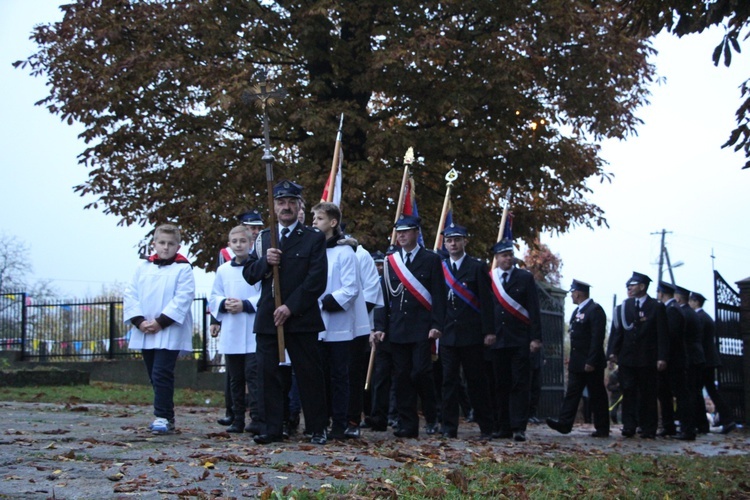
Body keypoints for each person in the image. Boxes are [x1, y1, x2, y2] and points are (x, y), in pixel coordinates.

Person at [243, 180, 329, 445]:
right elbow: (248, 274)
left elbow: (317, 280)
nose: (286, 207)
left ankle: (316, 427)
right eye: (281, 202)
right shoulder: (264, 238)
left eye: (292, 202)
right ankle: (271, 427)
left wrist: (290, 307)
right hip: (269, 317)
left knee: (309, 375)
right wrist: (264, 262)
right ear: (274, 206)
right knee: (267, 375)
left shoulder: (313, 237)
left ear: (299, 206)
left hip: (301, 317)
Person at [372, 215, 446, 438]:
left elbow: (439, 296)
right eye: (399, 232)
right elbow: (383, 297)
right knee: (402, 377)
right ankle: (408, 424)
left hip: (422, 328)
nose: (401, 235)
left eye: (406, 231)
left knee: (421, 373)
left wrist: (437, 324)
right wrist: (380, 326)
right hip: (397, 328)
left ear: (416, 233)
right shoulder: (390, 261)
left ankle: (432, 414)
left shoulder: (430, 260)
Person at [123, 224, 195, 434]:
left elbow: (183, 298)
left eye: (170, 244)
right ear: (154, 244)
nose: (165, 247)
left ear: (178, 246)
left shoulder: (183, 268)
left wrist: (161, 321)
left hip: (169, 330)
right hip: (145, 329)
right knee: (153, 374)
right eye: (161, 243)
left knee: (162, 372)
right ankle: (167, 415)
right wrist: (139, 321)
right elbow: (130, 293)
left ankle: (162, 416)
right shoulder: (142, 267)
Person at [310, 202, 363, 440]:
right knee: (317, 377)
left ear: (333, 223)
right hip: (314, 323)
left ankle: (340, 423)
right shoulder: (313, 249)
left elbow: (351, 287)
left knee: (339, 375)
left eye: (319, 218)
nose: (314, 222)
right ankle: (320, 421)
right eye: (313, 218)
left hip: (338, 324)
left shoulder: (345, 252)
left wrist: (324, 302)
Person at [438, 224, 495, 439]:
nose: (453, 244)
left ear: (465, 242)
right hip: (448, 335)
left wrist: (489, 330)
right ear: (445, 243)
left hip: (472, 335)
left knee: (477, 382)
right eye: (449, 241)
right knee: (449, 383)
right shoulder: (441, 267)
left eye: (457, 240)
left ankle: (486, 427)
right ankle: (449, 427)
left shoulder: (477, 267)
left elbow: (488, 302)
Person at [209, 225, 262, 434]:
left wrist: (245, 304)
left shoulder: (258, 267)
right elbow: (214, 296)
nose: (239, 245)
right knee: (235, 378)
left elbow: (264, 295)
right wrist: (224, 304)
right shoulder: (223, 271)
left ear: (250, 243)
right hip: (232, 330)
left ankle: (256, 417)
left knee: (254, 377)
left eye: (243, 241)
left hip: (251, 330)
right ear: (229, 245)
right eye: (234, 242)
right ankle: (237, 418)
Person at [488, 239, 542, 442]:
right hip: (498, 340)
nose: (508, 258)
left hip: (520, 339)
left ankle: (519, 426)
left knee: (520, 384)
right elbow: (487, 309)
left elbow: (534, 309)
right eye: (503, 255)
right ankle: (503, 426)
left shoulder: (524, 278)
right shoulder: (491, 278)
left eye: (510, 254)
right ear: (497, 258)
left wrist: (536, 337)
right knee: (500, 385)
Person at [607, 272, 668, 439]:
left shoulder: (656, 307)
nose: (629, 288)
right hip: (628, 358)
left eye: (633, 285)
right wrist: (612, 352)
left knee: (648, 394)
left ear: (642, 286)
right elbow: (618, 331)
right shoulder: (625, 306)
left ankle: (648, 427)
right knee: (628, 392)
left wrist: (662, 357)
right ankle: (629, 425)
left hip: (648, 358)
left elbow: (662, 334)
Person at [546, 280, 609, 437]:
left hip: (590, 362)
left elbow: (597, 338)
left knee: (597, 394)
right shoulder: (577, 312)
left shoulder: (595, 310)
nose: (572, 295)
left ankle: (602, 427)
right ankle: (564, 423)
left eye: (573, 292)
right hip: (577, 362)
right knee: (572, 393)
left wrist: (591, 361)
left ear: (579, 293)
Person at [689, 291, 737, 434]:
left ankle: (712, 420)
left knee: (699, 390)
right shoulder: (706, 317)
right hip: (709, 360)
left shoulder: (700, 318)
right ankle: (726, 419)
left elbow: (698, 341)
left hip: (704, 361)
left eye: (691, 301)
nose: (689, 303)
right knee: (710, 390)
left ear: (696, 302)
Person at [654, 281, 693, 440]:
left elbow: (670, 336)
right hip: (671, 360)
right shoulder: (672, 309)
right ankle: (669, 426)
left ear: (661, 294)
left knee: (680, 395)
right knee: (665, 394)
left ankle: (687, 429)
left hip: (674, 361)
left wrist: (663, 356)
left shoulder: (672, 311)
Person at [674, 286, 706, 436]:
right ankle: (701, 425)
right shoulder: (691, 313)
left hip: (690, 358)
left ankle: (689, 427)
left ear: (678, 298)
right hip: (696, 357)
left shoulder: (683, 313)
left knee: (688, 393)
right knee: (695, 393)